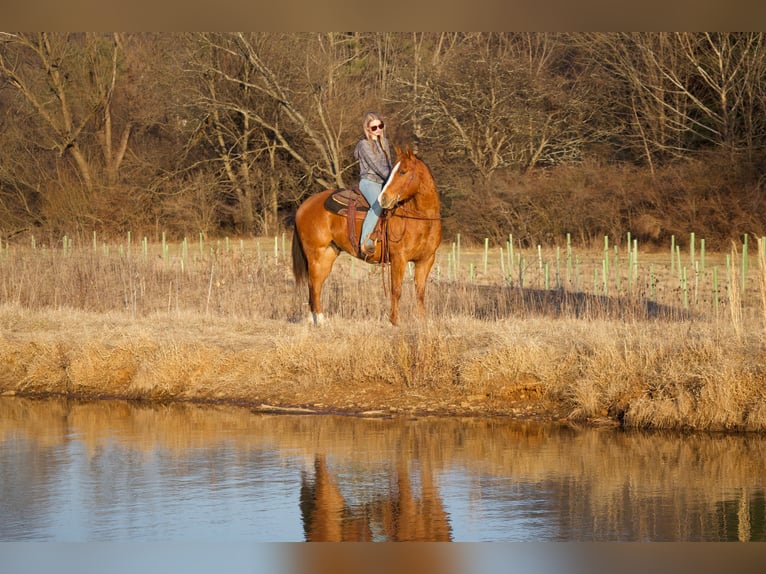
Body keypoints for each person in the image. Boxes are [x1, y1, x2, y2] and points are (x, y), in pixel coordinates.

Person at [354, 111, 392, 255]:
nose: (378, 130)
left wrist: (394, 180)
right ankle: (366, 243)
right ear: (368, 129)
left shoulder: (384, 142)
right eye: (374, 127)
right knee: (378, 206)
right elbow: (376, 165)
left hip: (385, 181)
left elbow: (389, 165)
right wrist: (391, 177)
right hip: (369, 182)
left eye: (380, 126)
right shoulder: (364, 144)